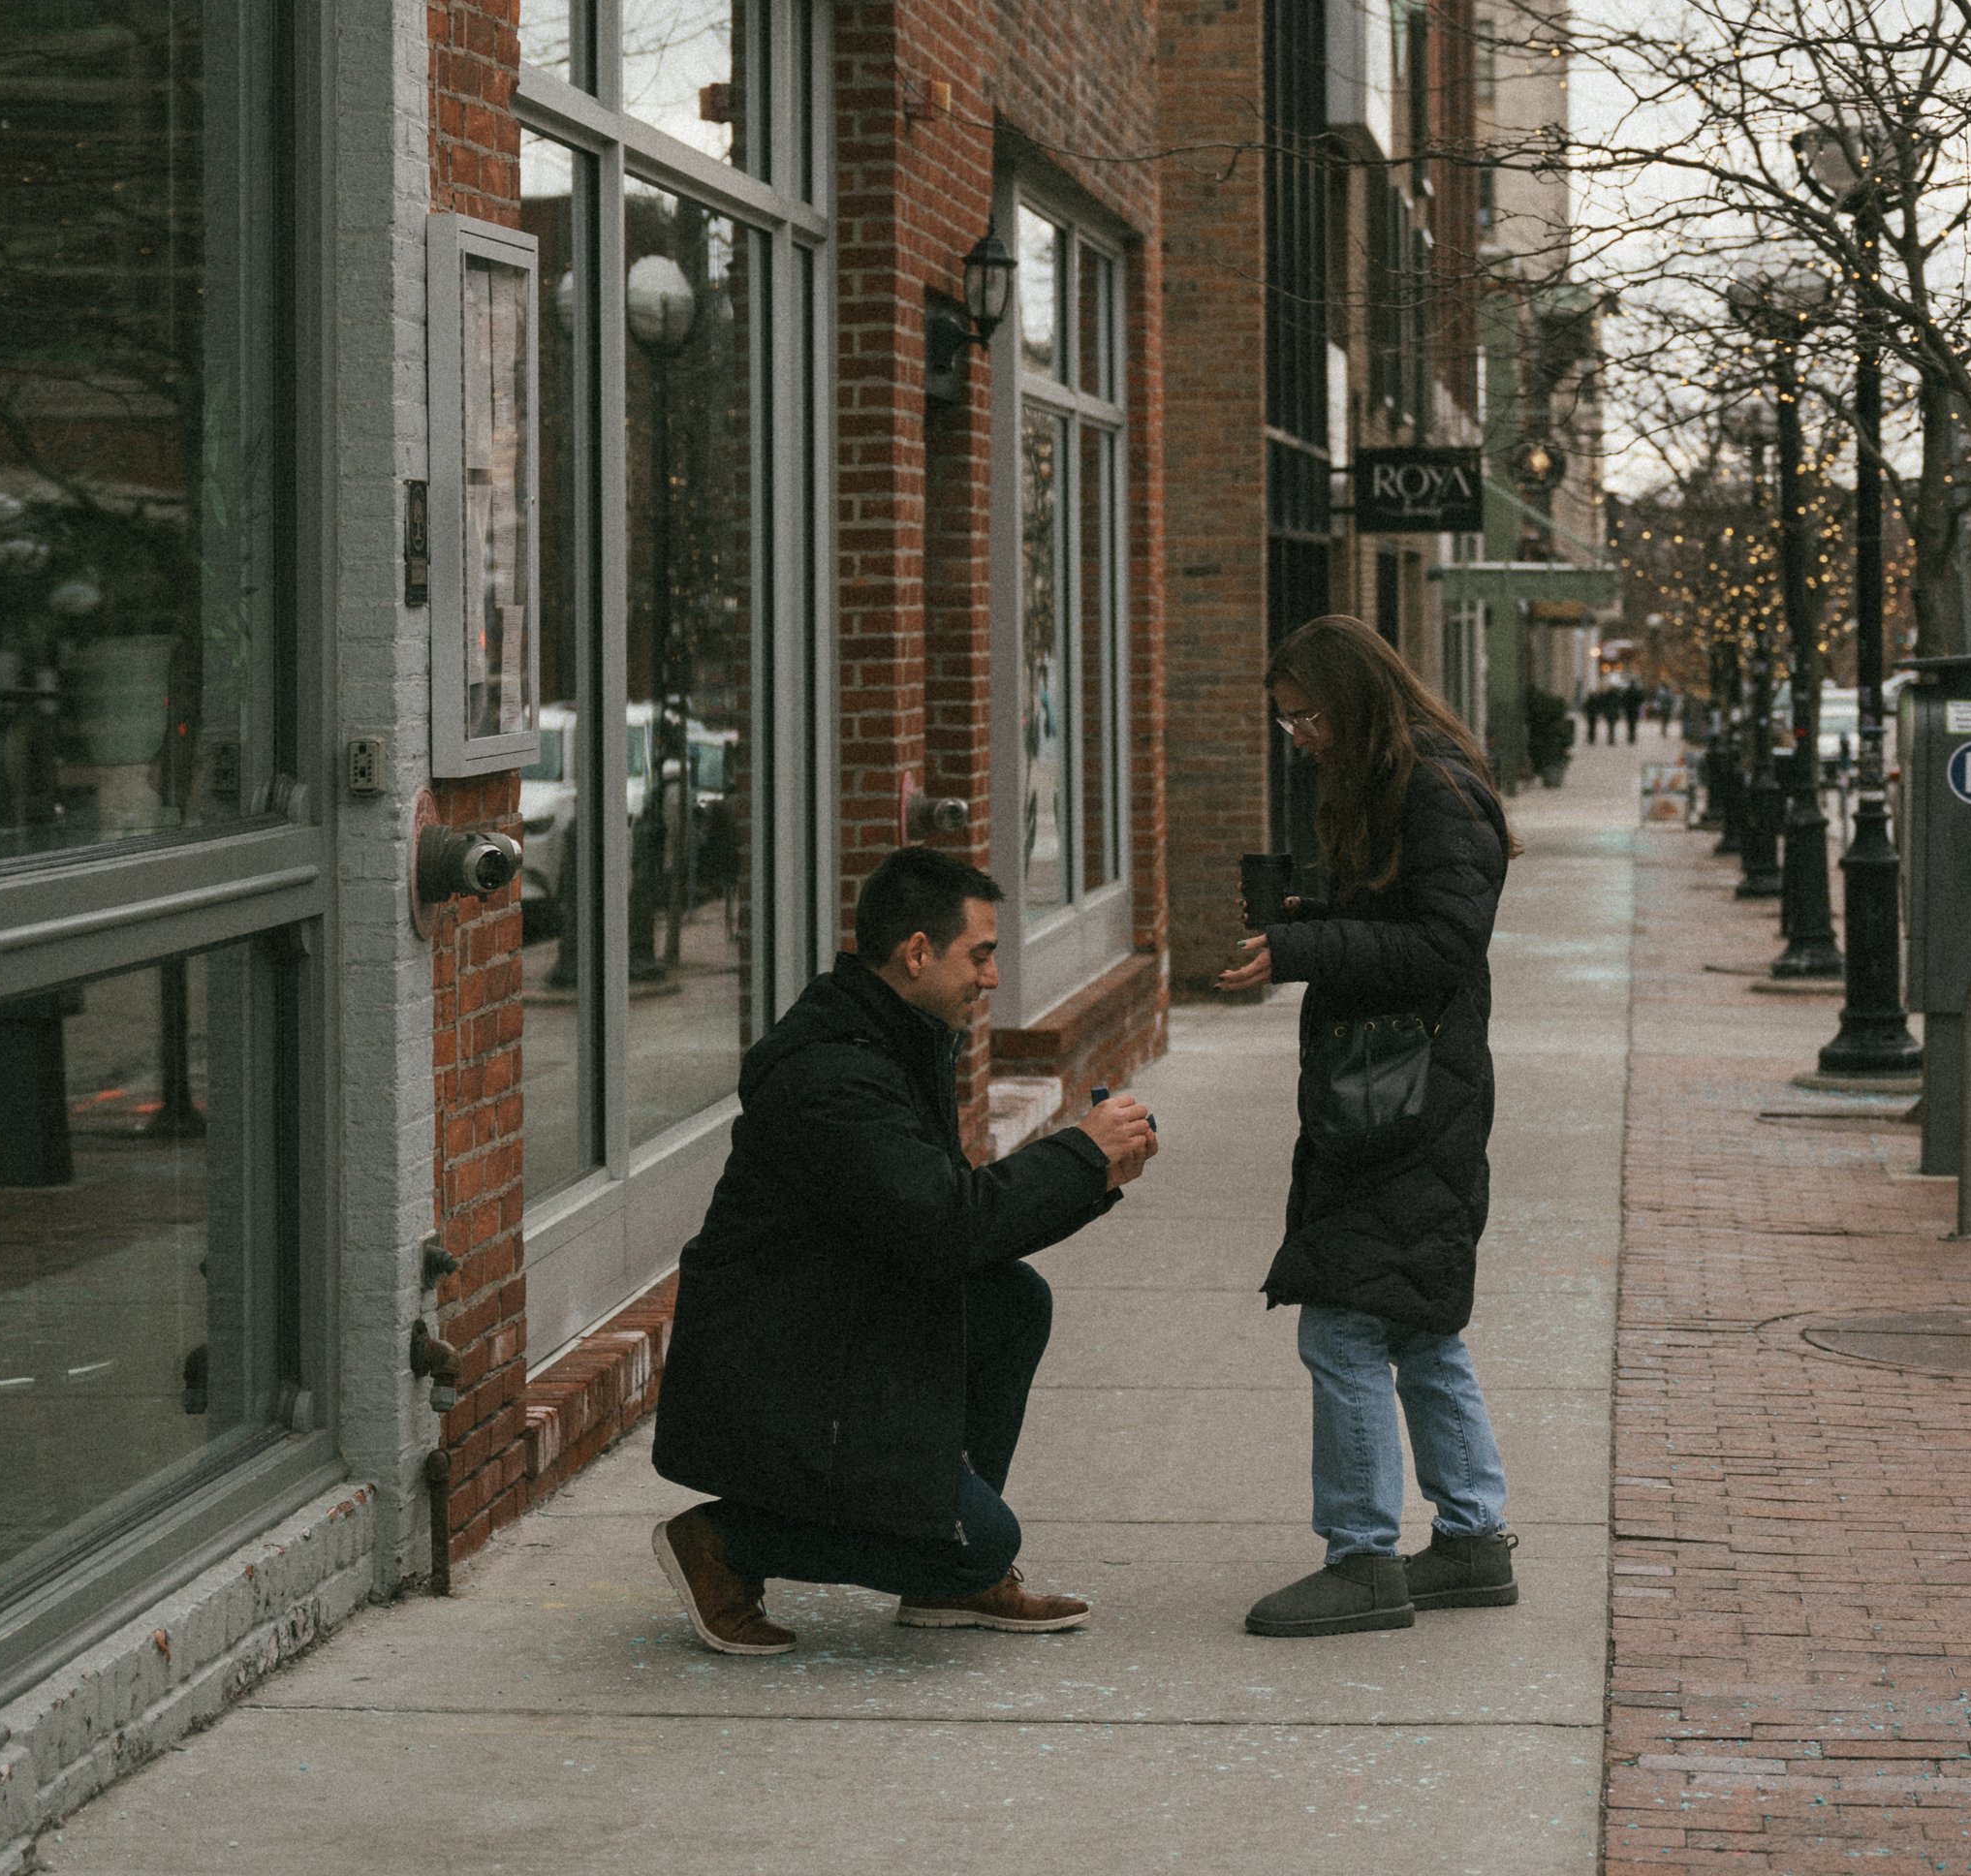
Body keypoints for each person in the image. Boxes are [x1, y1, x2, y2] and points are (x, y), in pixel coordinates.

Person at [650, 847, 1158, 1654]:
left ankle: (942, 1571)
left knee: (1012, 1301)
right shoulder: (835, 1076)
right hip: (781, 1371)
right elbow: (944, 1225)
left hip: (835, 1329)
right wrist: (1079, 1156)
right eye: (980, 955)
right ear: (918, 952)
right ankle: (724, 1543)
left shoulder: (895, 1040)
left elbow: (948, 1233)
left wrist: (1091, 1175)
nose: (992, 977)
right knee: (985, 1542)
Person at [1218, 615, 1517, 1638]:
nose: (1298, 736)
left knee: (1343, 1321)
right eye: (1286, 721)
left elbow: (1444, 946)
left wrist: (1306, 945)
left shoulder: (1432, 789)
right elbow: (1402, 923)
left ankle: (1362, 1559)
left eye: (1308, 716)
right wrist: (1305, 918)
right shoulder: (1398, 783)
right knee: (1417, 1318)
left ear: (1355, 701)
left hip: (1407, 1099)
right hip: (1397, 1090)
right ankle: (1472, 1540)